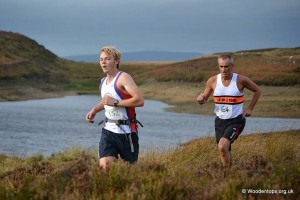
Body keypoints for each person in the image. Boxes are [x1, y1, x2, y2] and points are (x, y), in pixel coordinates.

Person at [196, 54, 261, 173]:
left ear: (232, 66)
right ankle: (230, 175)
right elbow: (204, 99)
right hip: (220, 121)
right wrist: (201, 100)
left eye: (227, 67)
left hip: (236, 120)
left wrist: (250, 108)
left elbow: (257, 90)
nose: (224, 69)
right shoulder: (212, 81)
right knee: (224, 150)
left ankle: (226, 175)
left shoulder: (241, 80)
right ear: (218, 66)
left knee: (222, 146)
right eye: (221, 66)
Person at [86, 46, 144, 172]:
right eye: (101, 59)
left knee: (129, 173)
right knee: (104, 168)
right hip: (108, 131)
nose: (103, 62)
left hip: (127, 133)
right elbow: (106, 102)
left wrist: (116, 102)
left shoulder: (123, 78)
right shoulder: (103, 82)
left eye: (107, 59)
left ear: (116, 61)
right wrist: (94, 110)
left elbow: (139, 100)